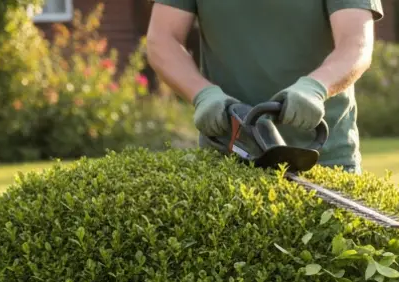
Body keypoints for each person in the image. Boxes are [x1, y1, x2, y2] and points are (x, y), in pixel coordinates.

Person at [146, 1, 382, 173]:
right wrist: (202, 94)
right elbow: (163, 40)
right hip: (229, 154)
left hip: (322, 157)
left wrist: (316, 87)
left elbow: (356, 44)